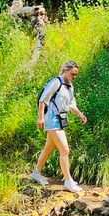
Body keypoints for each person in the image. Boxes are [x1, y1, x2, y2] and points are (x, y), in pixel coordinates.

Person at [30, 60, 88, 193]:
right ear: (65, 71)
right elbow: (42, 100)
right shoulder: (56, 82)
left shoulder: (70, 86)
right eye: (73, 74)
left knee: (49, 148)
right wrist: (40, 118)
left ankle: (36, 173)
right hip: (51, 119)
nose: (74, 77)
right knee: (65, 150)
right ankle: (68, 181)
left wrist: (80, 115)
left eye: (76, 75)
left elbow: (71, 105)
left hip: (60, 119)